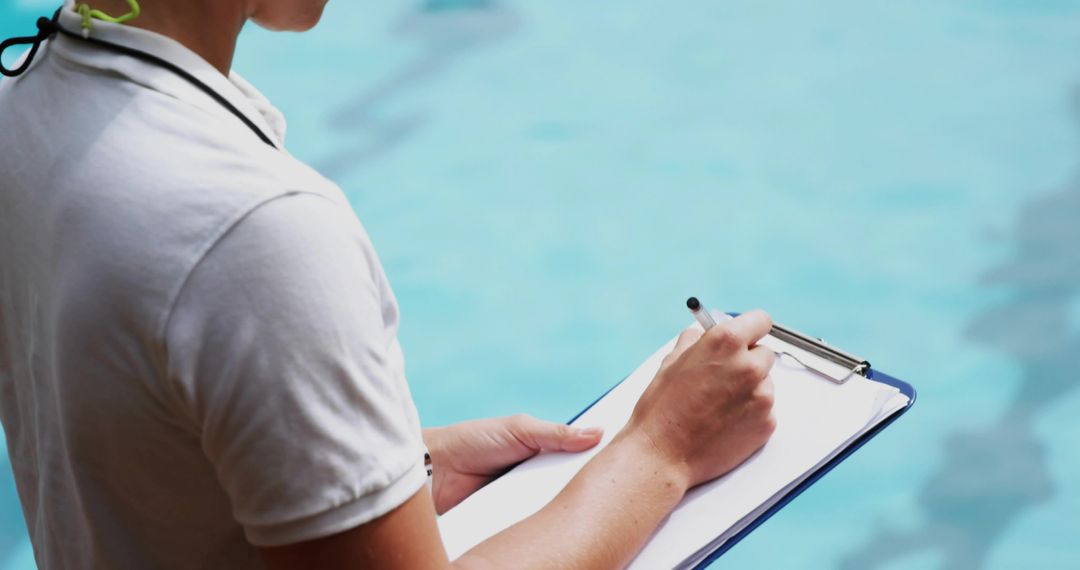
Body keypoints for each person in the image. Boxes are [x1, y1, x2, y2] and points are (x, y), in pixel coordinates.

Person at [0, 1, 777, 568]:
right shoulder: (255, 228)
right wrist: (664, 451)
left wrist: (404, 470)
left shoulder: (28, 107)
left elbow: (143, 470)